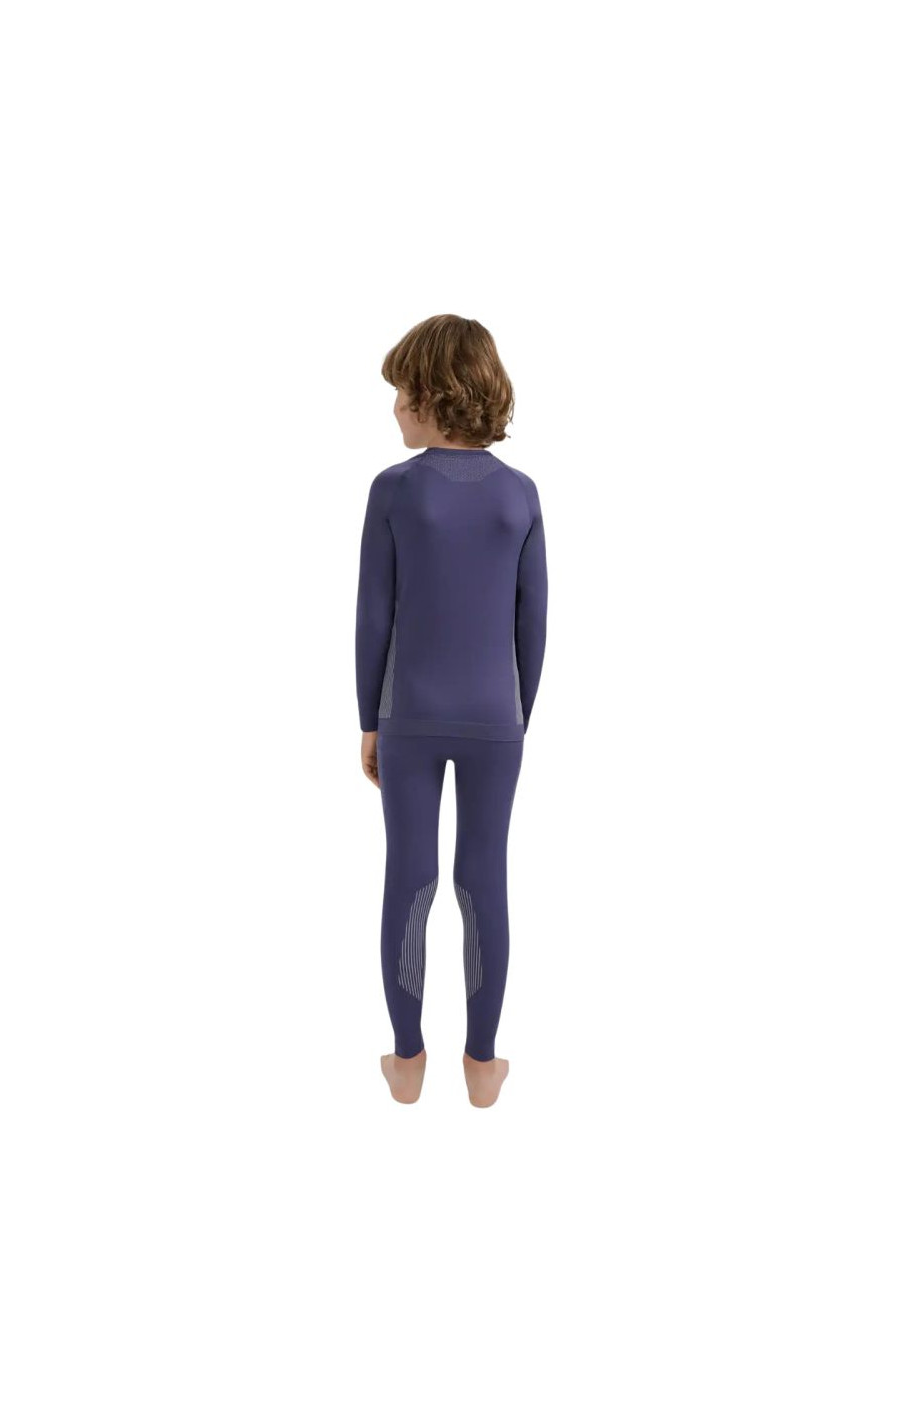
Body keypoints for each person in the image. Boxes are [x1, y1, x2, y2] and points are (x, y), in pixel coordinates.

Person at [355, 315, 548, 1107]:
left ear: (433, 394)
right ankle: (481, 1066)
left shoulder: (395, 490)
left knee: (410, 873)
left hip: (409, 716)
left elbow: (374, 616)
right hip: (496, 720)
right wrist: (515, 717)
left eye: (402, 390)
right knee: (482, 878)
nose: (394, 407)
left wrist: (369, 720)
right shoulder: (520, 494)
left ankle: (407, 1062)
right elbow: (533, 624)